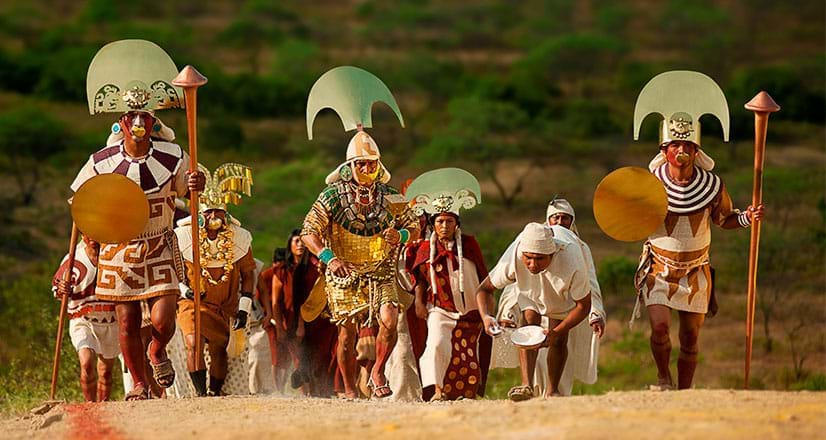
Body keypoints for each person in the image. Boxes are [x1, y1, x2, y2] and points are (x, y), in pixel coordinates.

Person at [72, 40, 205, 400]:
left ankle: (157, 350)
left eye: (144, 116)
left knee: (163, 319)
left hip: (159, 242)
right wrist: (91, 234)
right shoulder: (101, 161)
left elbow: (192, 186)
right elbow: (81, 200)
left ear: (152, 120)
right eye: (131, 117)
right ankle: (140, 385)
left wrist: (196, 182)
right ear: (122, 122)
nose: (137, 122)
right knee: (127, 322)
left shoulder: (173, 154)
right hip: (119, 247)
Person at [631, 71, 765, 390]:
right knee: (661, 329)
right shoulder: (648, 185)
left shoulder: (713, 186)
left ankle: (685, 391)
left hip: (696, 271)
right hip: (658, 269)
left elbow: (724, 219)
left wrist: (746, 217)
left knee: (690, 336)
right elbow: (628, 218)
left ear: (695, 150)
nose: (681, 150)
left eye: (687, 145)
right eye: (674, 144)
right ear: (663, 151)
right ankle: (663, 378)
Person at [301, 66, 419, 399]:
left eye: (371, 163)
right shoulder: (332, 195)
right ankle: (351, 388)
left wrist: (403, 237)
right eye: (360, 164)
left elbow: (413, 224)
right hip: (344, 271)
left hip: (381, 270)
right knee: (346, 335)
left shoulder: (390, 196)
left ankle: (379, 370)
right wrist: (329, 256)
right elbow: (310, 232)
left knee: (390, 320)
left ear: (378, 163)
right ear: (349, 166)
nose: (366, 169)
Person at [477, 223, 591, 399]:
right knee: (528, 325)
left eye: (539, 259)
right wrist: (486, 317)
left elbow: (584, 305)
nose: (532, 264)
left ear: (552, 254)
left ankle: (553, 390)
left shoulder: (572, 260)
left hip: (560, 294)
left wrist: (556, 332)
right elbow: (484, 289)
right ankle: (526, 386)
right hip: (529, 291)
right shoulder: (515, 254)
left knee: (559, 338)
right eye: (528, 258)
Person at [405, 168, 491, 401]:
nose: (444, 226)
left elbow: (484, 279)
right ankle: (437, 391)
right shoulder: (424, 249)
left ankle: (468, 393)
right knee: (435, 344)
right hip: (439, 308)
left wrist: (486, 311)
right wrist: (419, 303)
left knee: (467, 352)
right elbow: (421, 279)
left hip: (469, 309)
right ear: (434, 224)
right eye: (440, 221)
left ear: (456, 223)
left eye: (449, 221)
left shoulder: (470, 245)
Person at [174, 163, 256, 396]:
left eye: (217, 212)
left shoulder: (240, 239)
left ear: (226, 213)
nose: (213, 217)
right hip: (192, 304)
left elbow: (248, 275)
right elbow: (174, 269)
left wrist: (243, 309)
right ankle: (200, 393)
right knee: (193, 343)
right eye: (208, 212)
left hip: (225, 306)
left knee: (220, 349)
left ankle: (214, 392)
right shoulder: (182, 237)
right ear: (199, 214)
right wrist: (183, 290)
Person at [271, 229, 338, 397]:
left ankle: (323, 393)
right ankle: (306, 394)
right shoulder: (284, 271)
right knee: (302, 358)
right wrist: (282, 326)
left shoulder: (316, 267)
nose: (300, 245)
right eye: (296, 241)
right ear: (290, 245)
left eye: (303, 242)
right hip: (295, 320)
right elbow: (280, 302)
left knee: (322, 357)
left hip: (320, 320)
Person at [53, 239, 119, 402]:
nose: (92, 240)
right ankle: (90, 405)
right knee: (87, 364)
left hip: (112, 320)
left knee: (106, 371)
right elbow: (58, 288)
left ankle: (103, 405)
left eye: (95, 235)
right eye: (88, 236)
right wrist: (63, 289)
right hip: (82, 319)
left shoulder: (115, 256)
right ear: (83, 236)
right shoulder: (74, 259)